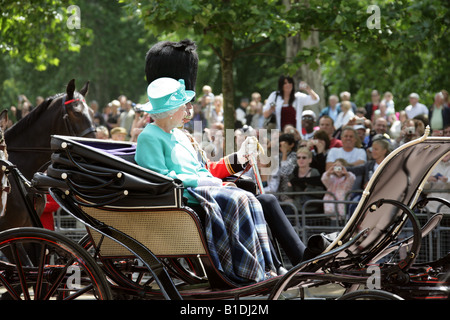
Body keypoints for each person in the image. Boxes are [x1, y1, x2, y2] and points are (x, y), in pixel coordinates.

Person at [143, 40, 306, 271]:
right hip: (184, 197)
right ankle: (259, 266)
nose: (188, 108)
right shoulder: (156, 135)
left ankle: (286, 262)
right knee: (246, 197)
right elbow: (178, 175)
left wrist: (239, 157)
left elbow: (205, 169)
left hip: (201, 188)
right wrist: (204, 180)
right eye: (182, 103)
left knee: (265, 198)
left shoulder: (182, 136)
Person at [288, 148, 325, 213]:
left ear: (310, 160)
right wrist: (290, 186)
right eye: (298, 158)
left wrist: (306, 189)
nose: (301, 160)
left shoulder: (314, 172)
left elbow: (320, 192)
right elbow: (289, 194)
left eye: (304, 158)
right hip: (296, 207)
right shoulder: (293, 173)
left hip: (312, 206)